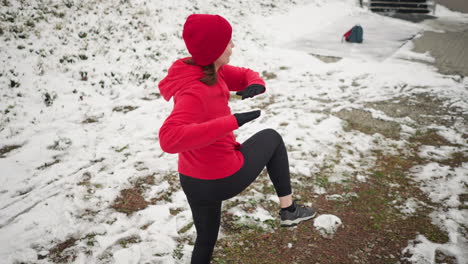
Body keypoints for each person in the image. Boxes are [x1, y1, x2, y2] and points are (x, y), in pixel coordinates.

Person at [158, 14, 316, 264]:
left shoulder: (206, 69)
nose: (233, 46)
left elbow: (244, 74)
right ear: (215, 49)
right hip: (221, 177)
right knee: (272, 138)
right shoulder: (195, 91)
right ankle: (289, 210)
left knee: (206, 239)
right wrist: (232, 122)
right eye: (228, 43)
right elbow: (169, 139)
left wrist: (256, 83)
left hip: (193, 180)